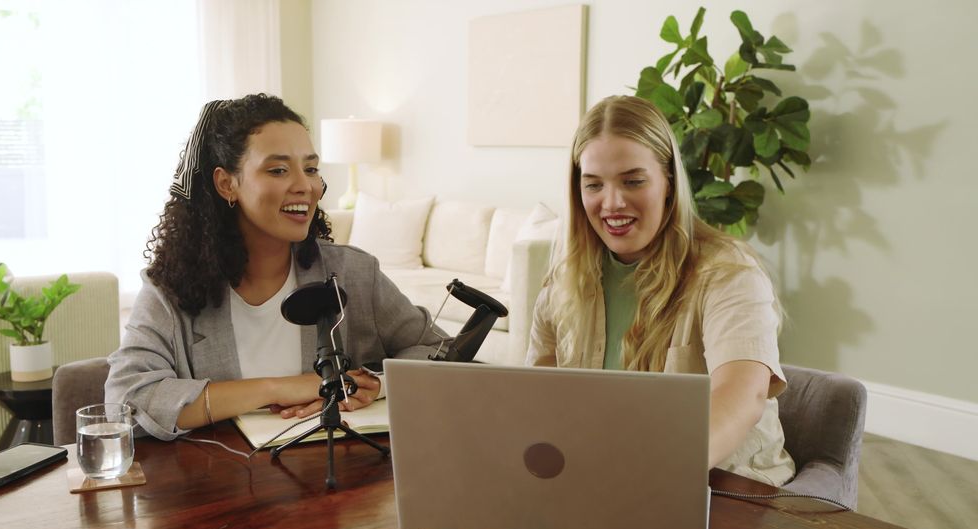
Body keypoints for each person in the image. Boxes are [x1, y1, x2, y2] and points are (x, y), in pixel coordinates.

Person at [106, 94, 444, 441]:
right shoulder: (171, 289)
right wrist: (276, 389)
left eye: (310, 168)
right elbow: (125, 400)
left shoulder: (354, 273)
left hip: (342, 481)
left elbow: (439, 353)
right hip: (222, 484)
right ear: (227, 183)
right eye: (278, 169)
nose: (306, 186)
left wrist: (379, 385)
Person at [527, 95, 795, 486]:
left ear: (668, 182)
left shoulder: (729, 272)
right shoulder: (562, 286)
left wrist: (652, 475)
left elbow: (744, 394)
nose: (612, 203)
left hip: (728, 488)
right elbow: (537, 404)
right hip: (601, 482)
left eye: (633, 181)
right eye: (594, 185)